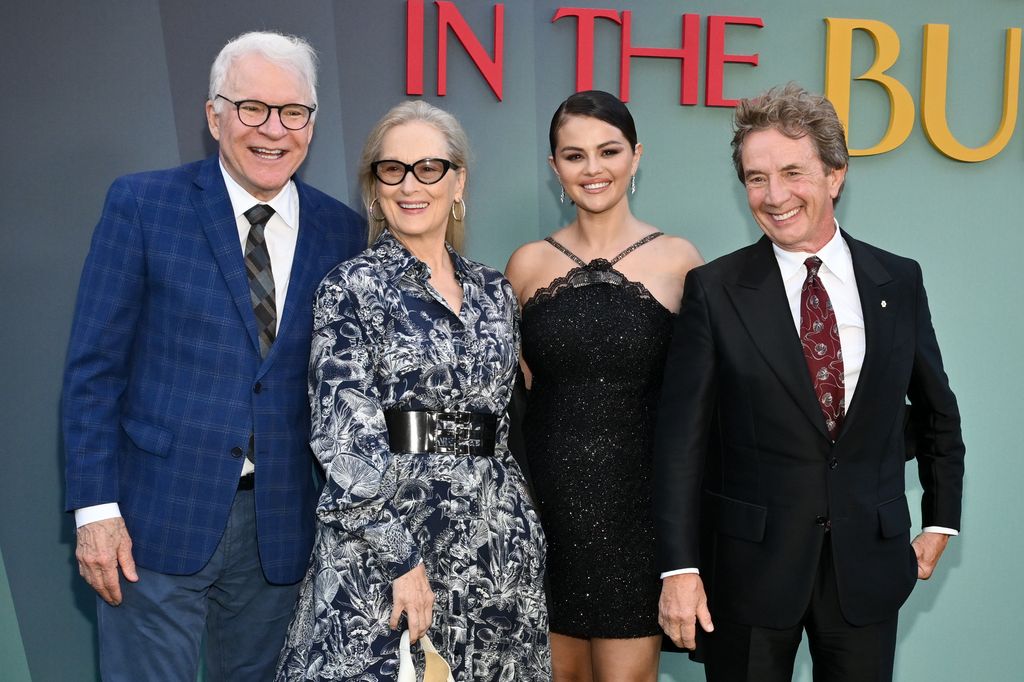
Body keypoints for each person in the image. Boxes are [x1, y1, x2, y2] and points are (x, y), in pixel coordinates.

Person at [61, 31, 364, 681]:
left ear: (311, 124)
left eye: (293, 112)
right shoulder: (144, 205)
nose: (272, 129)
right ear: (213, 115)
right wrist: (95, 511)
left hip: (279, 530)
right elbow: (94, 370)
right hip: (150, 521)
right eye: (251, 107)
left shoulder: (343, 231)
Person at [653, 83, 966, 681]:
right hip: (747, 572)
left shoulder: (897, 281)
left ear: (835, 175)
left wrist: (940, 517)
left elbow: (936, 410)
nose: (774, 196)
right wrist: (678, 568)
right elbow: (679, 444)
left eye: (792, 172)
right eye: (755, 178)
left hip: (867, 568)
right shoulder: (715, 291)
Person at [275, 100, 550, 681]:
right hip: (386, 550)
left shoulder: (494, 293)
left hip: (494, 554)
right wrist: (401, 559)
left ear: (458, 182)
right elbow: (342, 438)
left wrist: (520, 530)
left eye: (429, 168)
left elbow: (499, 430)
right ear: (374, 188)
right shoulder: (350, 289)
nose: (410, 185)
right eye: (391, 170)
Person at [505, 90, 703, 681]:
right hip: (546, 511)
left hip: (637, 513)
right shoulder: (526, 265)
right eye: (574, 155)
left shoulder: (679, 260)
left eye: (608, 151)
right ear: (554, 168)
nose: (593, 169)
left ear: (636, 156)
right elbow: (513, 394)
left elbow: (698, 403)